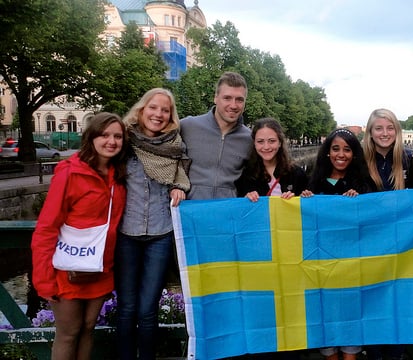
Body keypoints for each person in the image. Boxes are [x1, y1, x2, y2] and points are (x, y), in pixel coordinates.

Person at [31, 112, 127, 360]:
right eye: (104, 135)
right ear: (91, 137)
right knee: (68, 332)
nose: (112, 141)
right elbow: (47, 227)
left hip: (99, 267)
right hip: (68, 267)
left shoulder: (120, 175)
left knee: (87, 329)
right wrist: (43, 279)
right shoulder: (70, 173)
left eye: (118, 136)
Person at [115, 88, 191, 360]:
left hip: (160, 234)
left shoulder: (174, 147)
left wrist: (178, 188)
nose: (158, 114)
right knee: (126, 308)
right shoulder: (123, 142)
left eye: (165, 110)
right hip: (126, 234)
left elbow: (180, 178)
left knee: (148, 310)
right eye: (153, 108)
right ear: (142, 109)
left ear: (171, 116)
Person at [301, 128, 375, 360]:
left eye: (347, 149)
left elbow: (376, 218)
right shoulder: (314, 184)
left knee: (351, 315)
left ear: (354, 154)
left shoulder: (363, 184)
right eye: (335, 149)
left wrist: (361, 202)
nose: (340, 154)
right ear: (327, 153)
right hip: (322, 266)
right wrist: (301, 203)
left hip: (353, 267)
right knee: (327, 315)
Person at [361, 108, 413, 360]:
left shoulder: (410, 160)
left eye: (389, 128)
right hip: (369, 244)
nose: (385, 133)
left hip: (401, 244)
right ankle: (373, 352)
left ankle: (396, 353)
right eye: (379, 128)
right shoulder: (359, 162)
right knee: (372, 300)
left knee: (398, 299)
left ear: (397, 131)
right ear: (370, 132)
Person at [180, 71, 253, 200]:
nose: (233, 105)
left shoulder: (250, 139)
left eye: (239, 100)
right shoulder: (187, 126)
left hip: (228, 214)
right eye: (227, 98)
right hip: (190, 213)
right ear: (215, 98)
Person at [237, 117, 308, 201]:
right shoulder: (245, 175)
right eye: (260, 141)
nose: (266, 147)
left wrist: (302, 197)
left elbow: (307, 208)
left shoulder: (297, 174)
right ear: (254, 143)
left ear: (280, 143)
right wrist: (245, 200)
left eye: (272, 141)